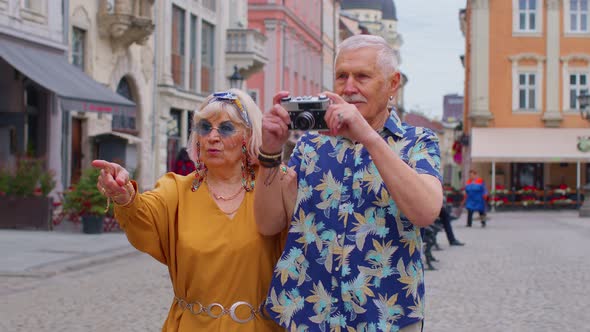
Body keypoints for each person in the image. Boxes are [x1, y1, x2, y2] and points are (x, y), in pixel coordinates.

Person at [254, 35, 443, 332]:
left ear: (393, 84)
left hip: (386, 317)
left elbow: (426, 211)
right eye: (342, 76)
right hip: (307, 314)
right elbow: (268, 224)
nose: (349, 87)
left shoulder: (417, 142)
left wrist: (368, 136)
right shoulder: (310, 145)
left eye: (362, 77)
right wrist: (270, 153)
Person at [92, 89, 286, 331]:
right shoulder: (176, 190)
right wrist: (124, 195)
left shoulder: (271, 186)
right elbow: (142, 213)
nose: (213, 137)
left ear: (248, 135)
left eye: (226, 128)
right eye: (205, 127)